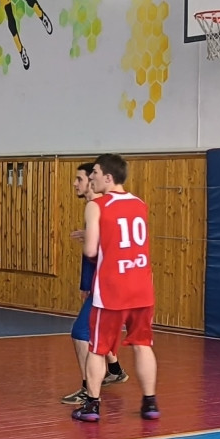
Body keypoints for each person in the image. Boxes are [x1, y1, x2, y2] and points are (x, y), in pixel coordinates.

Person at [73, 154, 158, 422]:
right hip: (142, 286)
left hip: (112, 289)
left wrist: (96, 244)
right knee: (143, 345)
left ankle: (92, 405)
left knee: (98, 348)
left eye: (95, 173)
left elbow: (90, 250)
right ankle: (150, 403)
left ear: (108, 177)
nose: (92, 177)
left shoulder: (96, 205)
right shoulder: (140, 204)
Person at [62, 162, 126, 404]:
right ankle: (115, 369)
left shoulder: (98, 208)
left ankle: (88, 390)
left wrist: (89, 282)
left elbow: (105, 250)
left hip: (109, 285)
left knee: (81, 333)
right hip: (103, 283)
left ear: (91, 181)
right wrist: (85, 283)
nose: (75, 184)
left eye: (79, 179)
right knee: (96, 331)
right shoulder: (96, 208)